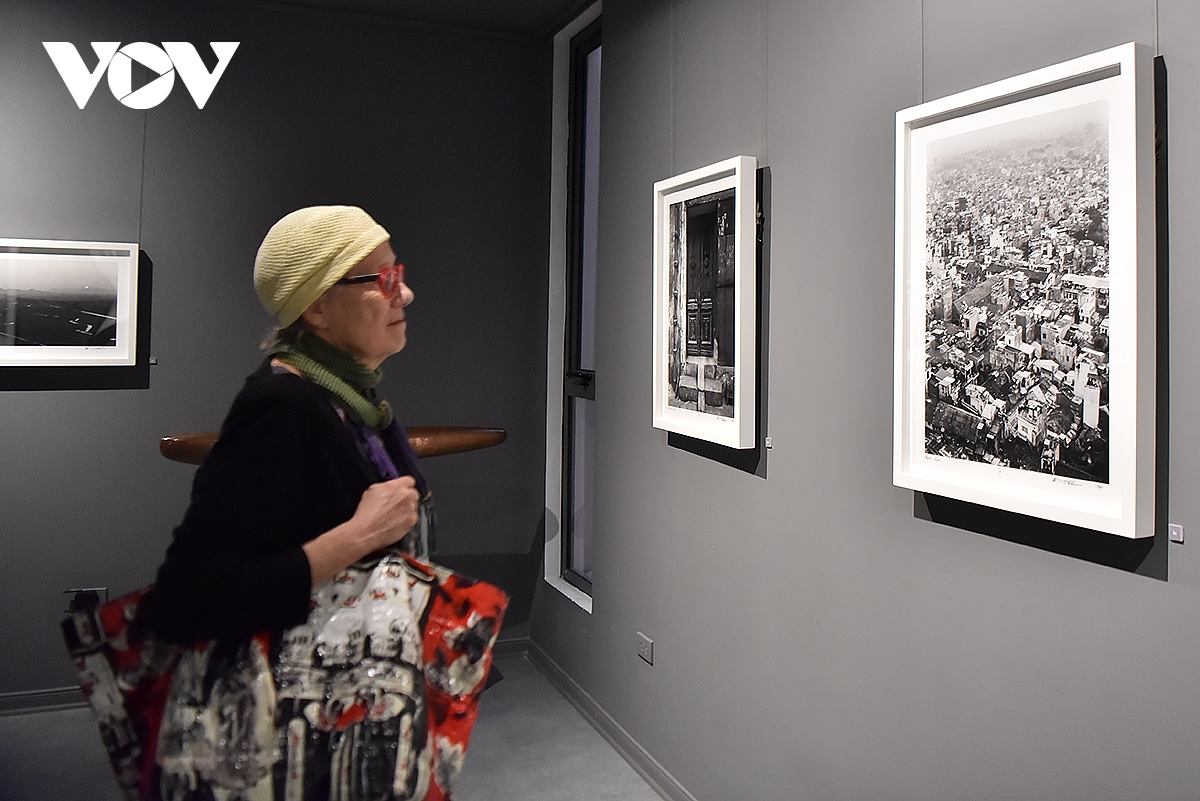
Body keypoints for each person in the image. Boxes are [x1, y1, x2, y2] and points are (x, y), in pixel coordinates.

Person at [139, 205, 427, 644]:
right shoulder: (281, 405)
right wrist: (360, 534)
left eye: (398, 273)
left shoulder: (349, 397)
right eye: (382, 279)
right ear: (316, 309)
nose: (404, 294)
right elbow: (188, 597)